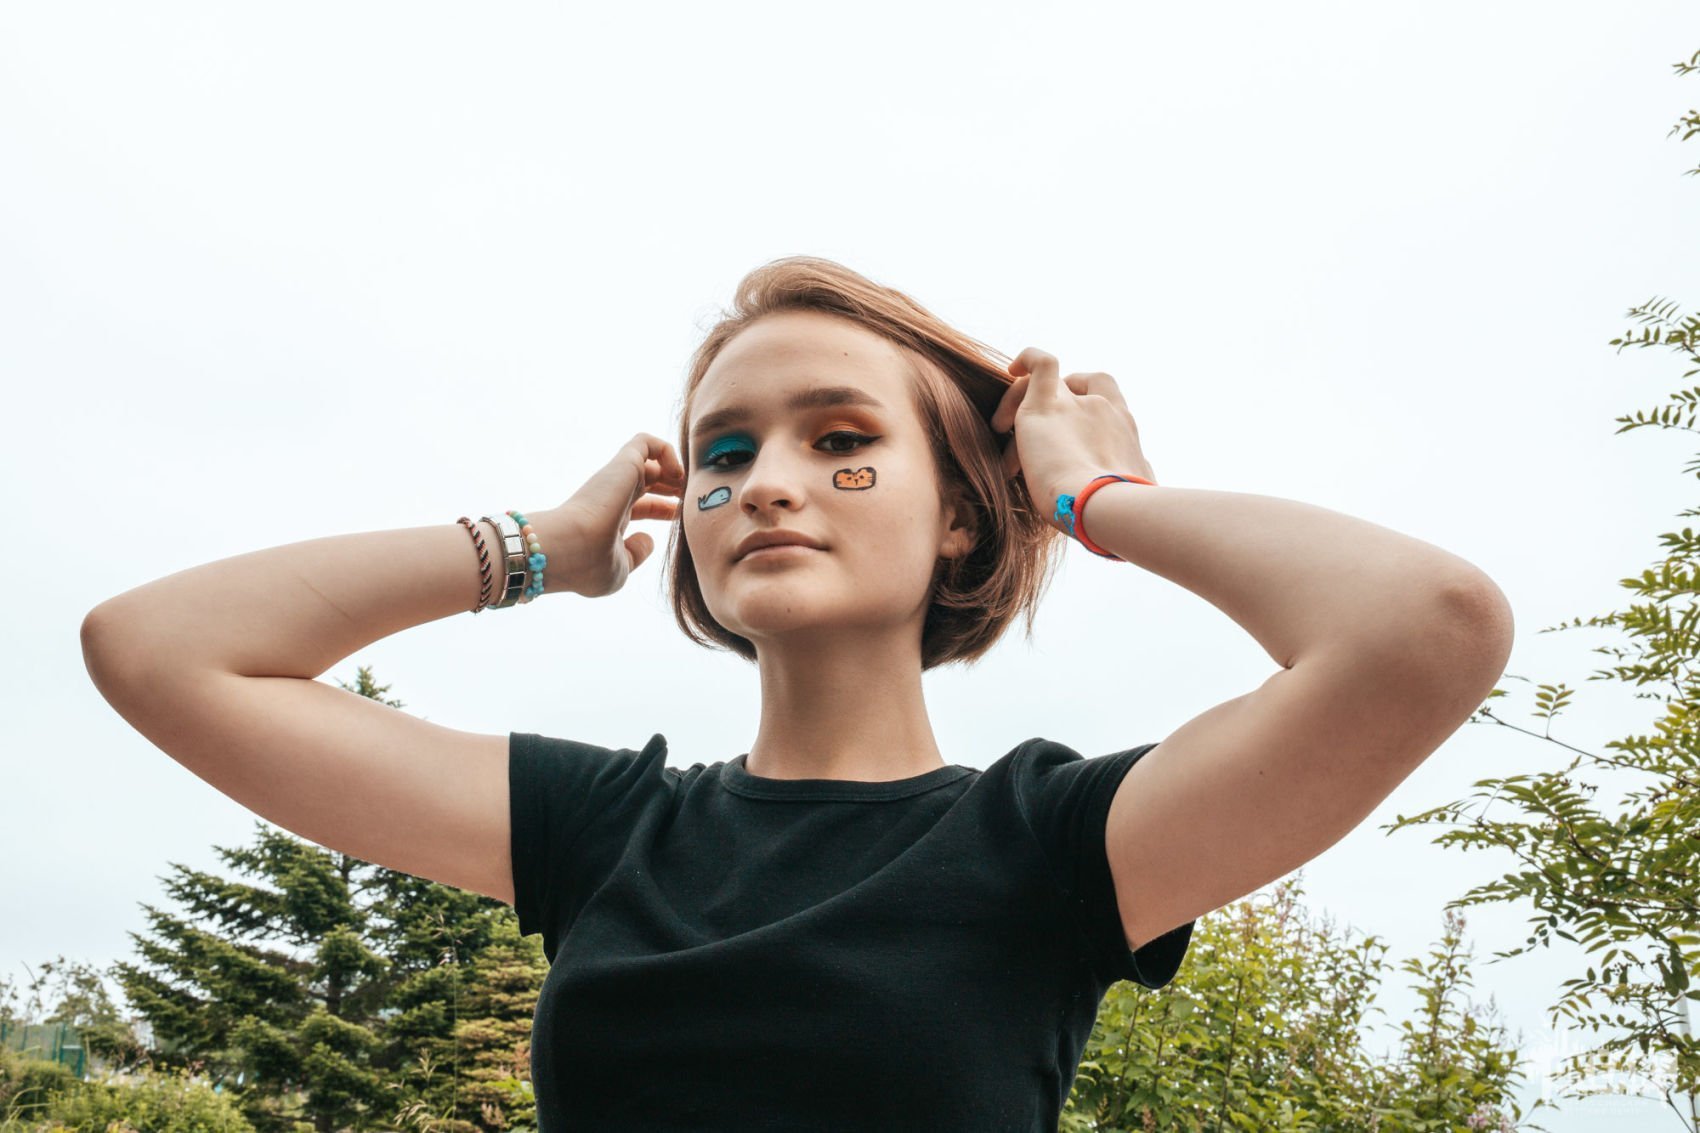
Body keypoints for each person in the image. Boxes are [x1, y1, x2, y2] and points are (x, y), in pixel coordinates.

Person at [80, 255, 1515, 1131]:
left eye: (839, 440)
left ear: (962, 517)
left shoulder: (1054, 847)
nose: (765, 481)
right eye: (725, 452)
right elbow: (157, 649)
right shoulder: (600, 830)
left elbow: (1426, 627)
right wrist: (538, 549)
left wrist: (1094, 495)